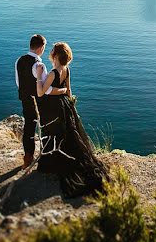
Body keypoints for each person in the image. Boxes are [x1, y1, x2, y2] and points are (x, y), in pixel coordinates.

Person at [34, 41, 108, 196]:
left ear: (55, 55)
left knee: (53, 133)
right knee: (69, 135)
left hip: (53, 109)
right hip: (66, 106)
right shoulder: (66, 70)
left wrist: (39, 77)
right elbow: (69, 91)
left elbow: (41, 92)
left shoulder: (53, 72)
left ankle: (51, 164)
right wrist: (72, 107)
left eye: (52, 50)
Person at [15, 34, 48, 169]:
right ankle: (47, 156)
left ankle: (28, 157)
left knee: (28, 127)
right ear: (41, 47)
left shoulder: (19, 60)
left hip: (25, 99)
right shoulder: (39, 65)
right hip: (39, 101)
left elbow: (18, 82)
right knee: (46, 126)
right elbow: (46, 88)